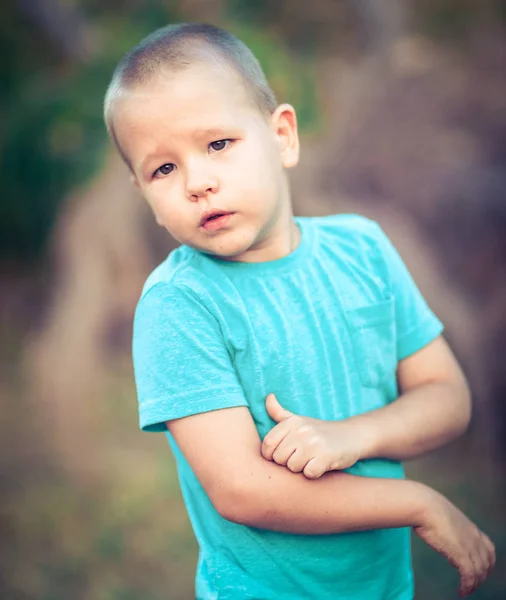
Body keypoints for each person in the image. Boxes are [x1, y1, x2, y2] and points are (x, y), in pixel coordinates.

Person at [103, 22, 495, 600]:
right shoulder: (180, 305)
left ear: (282, 136)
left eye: (217, 144)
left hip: (385, 586)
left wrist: (352, 437)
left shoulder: (362, 249)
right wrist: (418, 502)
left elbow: (446, 396)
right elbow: (244, 489)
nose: (198, 182)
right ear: (144, 194)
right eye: (164, 169)